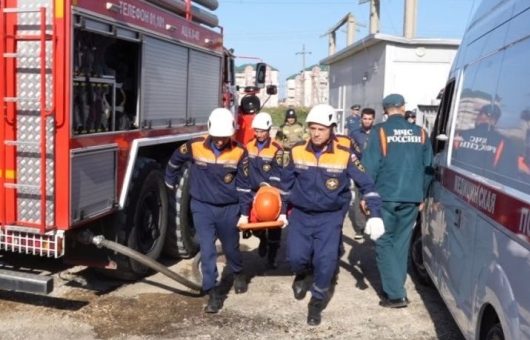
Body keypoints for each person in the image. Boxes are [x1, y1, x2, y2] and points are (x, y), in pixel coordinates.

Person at [280, 104, 384, 326]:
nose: (316, 133)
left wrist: (375, 214)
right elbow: (285, 184)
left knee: (325, 261)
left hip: (330, 216)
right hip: (301, 214)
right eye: (313, 128)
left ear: (332, 129)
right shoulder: (297, 150)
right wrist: (281, 212)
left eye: (321, 129)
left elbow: (367, 184)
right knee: (296, 257)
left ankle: (317, 301)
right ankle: (302, 273)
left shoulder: (346, 155)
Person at [165, 108, 252, 313]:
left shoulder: (240, 152)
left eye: (224, 137)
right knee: (207, 249)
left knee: (231, 248)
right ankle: (213, 292)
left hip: (228, 209)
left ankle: (238, 273)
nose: (220, 141)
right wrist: (169, 179)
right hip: (202, 207)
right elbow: (175, 160)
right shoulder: (194, 146)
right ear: (210, 131)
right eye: (217, 137)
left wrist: (245, 213)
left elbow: (244, 185)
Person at [361, 94, 434, 308]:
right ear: (403, 108)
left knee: (383, 240)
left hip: (386, 195)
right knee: (401, 242)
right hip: (412, 197)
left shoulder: (379, 131)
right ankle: (396, 285)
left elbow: (369, 166)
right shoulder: (421, 133)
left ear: (385, 111)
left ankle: (395, 295)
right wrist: (422, 195)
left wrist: (366, 195)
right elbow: (428, 167)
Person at [243, 112, 287, 270]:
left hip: (271, 192)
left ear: (269, 130)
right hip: (253, 191)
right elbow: (244, 168)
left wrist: (268, 189)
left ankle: (272, 257)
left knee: (274, 226)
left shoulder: (277, 149)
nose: (259, 134)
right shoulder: (248, 146)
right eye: (256, 131)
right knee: (253, 224)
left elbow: (278, 172)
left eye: (262, 131)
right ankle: (262, 237)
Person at [453, 104, 518, 177]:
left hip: (456, 181)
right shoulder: (505, 143)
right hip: (484, 186)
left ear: (482, 116)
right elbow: (507, 176)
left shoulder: (460, 135)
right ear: (494, 122)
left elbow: (446, 159)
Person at [348, 107, 376, 240]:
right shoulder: (354, 134)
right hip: (360, 170)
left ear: (373, 120)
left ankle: (374, 223)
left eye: (370, 119)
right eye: (365, 118)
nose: (367, 121)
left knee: (374, 197)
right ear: (361, 119)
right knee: (359, 198)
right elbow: (351, 152)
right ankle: (360, 228)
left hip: (376, 170)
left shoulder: (378, 133)